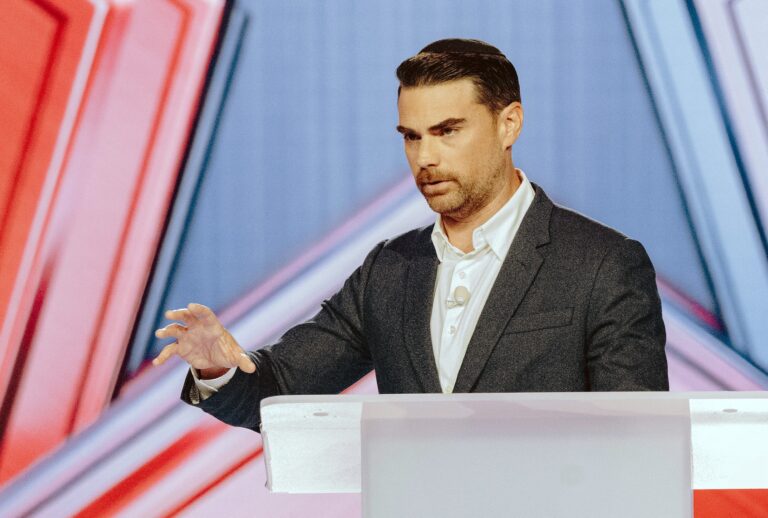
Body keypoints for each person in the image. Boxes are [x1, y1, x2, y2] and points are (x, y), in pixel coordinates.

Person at [153, 38, 669, 432]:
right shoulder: (390, 270)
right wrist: (219, 368)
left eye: (447, 131)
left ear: (509, 124)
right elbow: (280, 391)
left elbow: (638, 442)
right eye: (412, 137)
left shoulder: (603, 264)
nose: (425, 157)